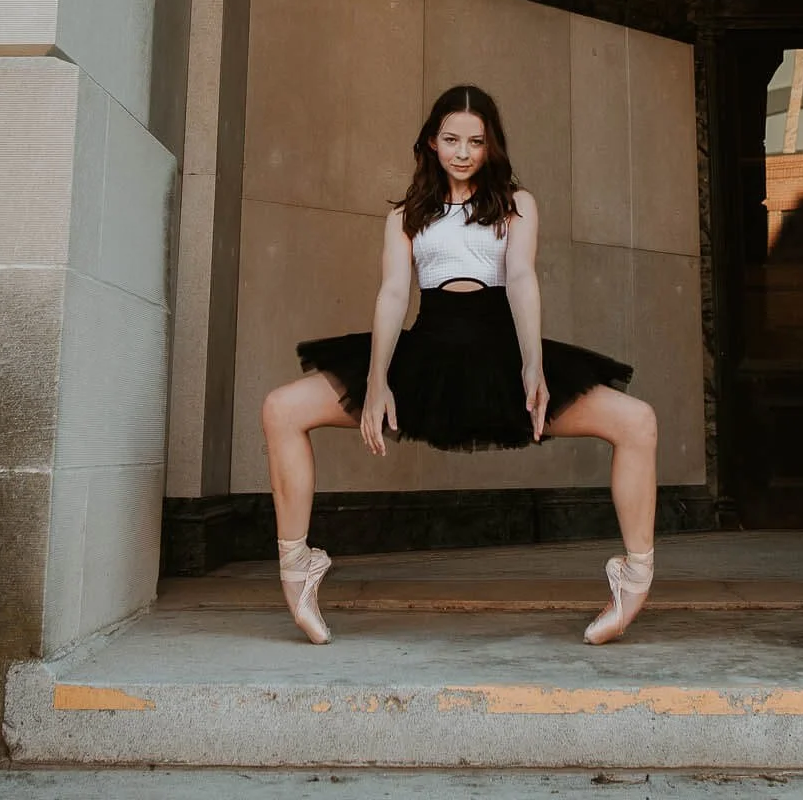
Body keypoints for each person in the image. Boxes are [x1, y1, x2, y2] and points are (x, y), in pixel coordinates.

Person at [261, 83, 659, 647]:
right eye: (451, 139)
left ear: (491, 145)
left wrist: (533, 364)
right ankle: (297, 568)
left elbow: (520, 277)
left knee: (638, 421)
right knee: (281, 408)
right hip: (425, 361)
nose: (463, 152)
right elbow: (393, 294)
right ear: (431, 141)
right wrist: (376, 381)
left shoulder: (518, 204)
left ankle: (634, 579)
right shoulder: (405, 215)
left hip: (502, 361)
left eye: (476, 141)